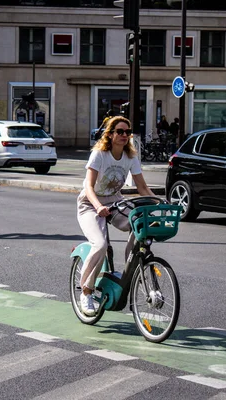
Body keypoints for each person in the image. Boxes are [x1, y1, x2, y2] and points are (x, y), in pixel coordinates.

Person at [77, 115, 156, 316]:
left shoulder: (130, 157)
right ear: (110, 134)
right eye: (119, 131)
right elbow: (88, 186)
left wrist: (162, 204)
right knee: (100, 244)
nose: (124, 135)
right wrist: (97, 206)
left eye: (127, 132)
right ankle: (86, 291)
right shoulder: (99, 154)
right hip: (89, 203)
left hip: (114, 202)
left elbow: (142, 187)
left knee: (140, 225)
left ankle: (131, 259)